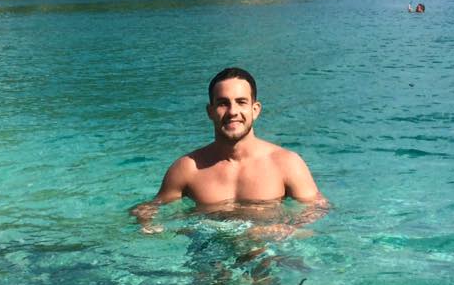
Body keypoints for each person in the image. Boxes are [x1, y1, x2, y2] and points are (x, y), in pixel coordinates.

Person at [131, 67, 328, 238]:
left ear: (255, 109)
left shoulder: (286, 163)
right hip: (208, 256)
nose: (233, 111)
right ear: (210, 111)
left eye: (241, 102)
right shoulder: (188, 168)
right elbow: (149, 209)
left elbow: (318, 209)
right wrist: (146, 223)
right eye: (223, 103)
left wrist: (284, 230)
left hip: (269, 255)